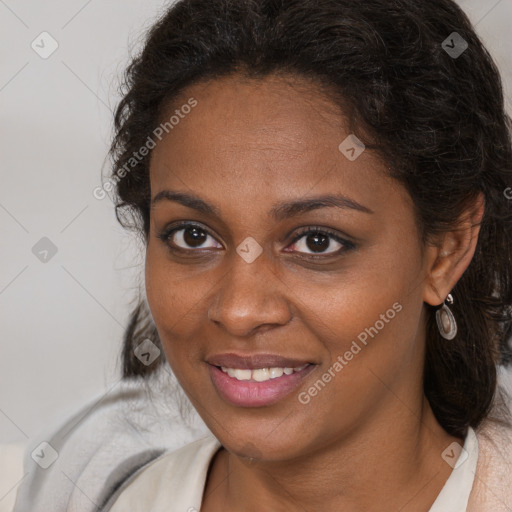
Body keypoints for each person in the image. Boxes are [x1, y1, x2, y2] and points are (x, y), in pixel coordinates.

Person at [10, 0, 512, 510]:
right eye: (192, 236)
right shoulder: (89, 488)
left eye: (317, 241)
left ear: (446, 249)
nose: (239, 310)